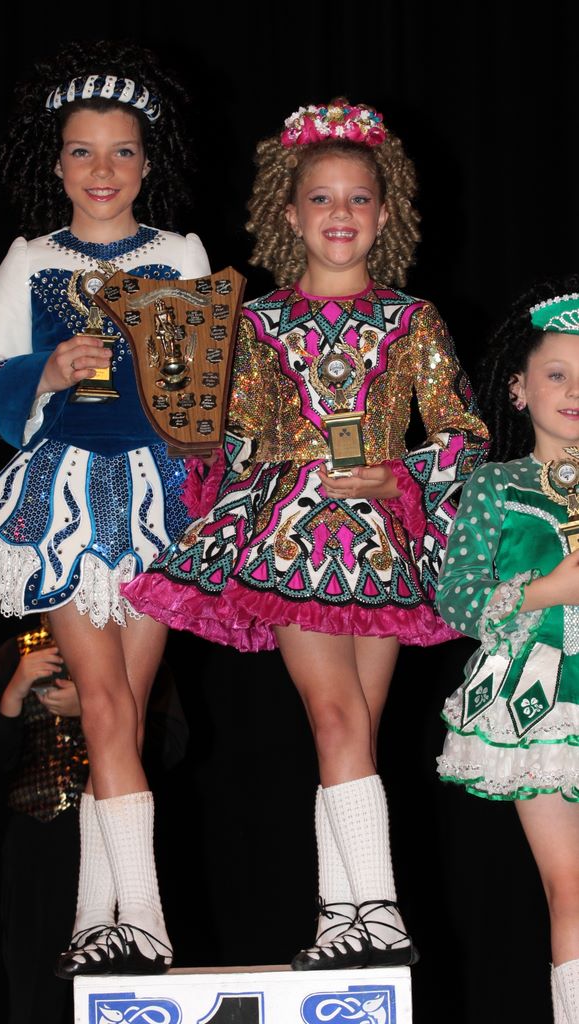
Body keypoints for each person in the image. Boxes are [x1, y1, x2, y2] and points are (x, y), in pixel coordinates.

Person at [123, 99, 489, 970]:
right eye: (320, 198)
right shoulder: (255, 323)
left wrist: (398, 475)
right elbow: (238, 437)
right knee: (332, 714)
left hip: (383, 543)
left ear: (385, 214)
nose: (339, 214)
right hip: (291, 536)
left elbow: (462, 434)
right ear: (288, 215)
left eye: (357, 198)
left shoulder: (412, 319)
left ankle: (345, 921)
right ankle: (377, 915)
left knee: (355, 727)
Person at [0, 39, 211, 978]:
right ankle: (146, 925)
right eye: (82, 151)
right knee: (103, 700)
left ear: (147, 164)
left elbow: (209, 390)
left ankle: (97, 923)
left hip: (158, 499)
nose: (101, 169)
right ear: (55, 165)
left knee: (125, 716)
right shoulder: (31, 259)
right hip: (68, 501)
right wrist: (43, 371)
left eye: (121, 151)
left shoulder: (180, 255)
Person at [435, 278, 579, 1023]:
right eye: (556, 373)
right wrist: (545, 591)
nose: (574, 391)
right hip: (538, 707)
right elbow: (457, 598)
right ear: (518, 389)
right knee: (571, 887)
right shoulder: (495, 486)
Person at [0, 618, 86, 1023]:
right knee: (33, 971)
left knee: (102, 962)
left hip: (103, 833)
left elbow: (169, 740)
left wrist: (94, 707)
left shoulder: (125, 644)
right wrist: (16, 690)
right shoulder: (15, 652)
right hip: (34, 841)